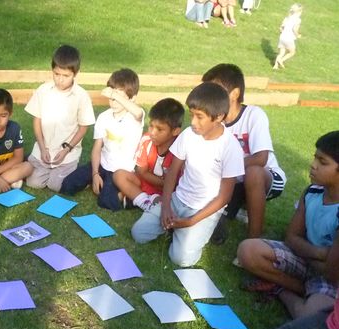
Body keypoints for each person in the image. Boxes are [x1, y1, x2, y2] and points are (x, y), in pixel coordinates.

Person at [131, 82, 244, 267]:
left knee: (181, 260)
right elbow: (172, 172)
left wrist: (191, 222)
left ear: (219, 117)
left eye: (199, 117)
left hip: (203, 211)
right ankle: (176, 228)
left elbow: (224, 197)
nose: (192, 122)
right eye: (192, 115)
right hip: (178, 200)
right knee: (139, 233)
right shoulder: (189, 135)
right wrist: (166, 206)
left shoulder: (230, 147)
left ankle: (206, 227)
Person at [237, 131, 339, 319]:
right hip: (309, 258)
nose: (313, 165)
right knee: (247, 250)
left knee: (309, 316)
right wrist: (318, 253)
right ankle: (290, 288)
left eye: (323, 162)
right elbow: (291, 237)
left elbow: (331, 272)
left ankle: (283, 290)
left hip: (330, 278)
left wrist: (308, 252)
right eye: (315, 158)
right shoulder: (312, 192)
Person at [203, 64, 286, 245]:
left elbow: (261, 159)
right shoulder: (212, 121)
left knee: (253, 172)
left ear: (234, 93)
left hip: (265, 175)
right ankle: (227, 214)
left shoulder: (254, 115)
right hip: (230, 179)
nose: (210, 97)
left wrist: (223, 168)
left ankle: (253, 242)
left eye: (215, 91)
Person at [60, 68, 144, 211]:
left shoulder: (135, 118)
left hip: (120, 171)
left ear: (132, 98)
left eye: (118, 98)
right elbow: (97, 147)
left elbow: (137, 112)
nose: (113, 102)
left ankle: (128, 193)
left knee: (105, 201)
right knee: (67, 185)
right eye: (111, 98)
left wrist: (115, 95)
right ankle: (98, 182)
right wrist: (95, 173)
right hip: (102, 164)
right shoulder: (104, 117)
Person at [25, 45, 95, 192]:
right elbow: (37, 120)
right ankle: (35, 163)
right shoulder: (43, 90)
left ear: (76, 74)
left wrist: (67, 150)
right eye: (56, 74)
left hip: (67, 152)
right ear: (52, 70)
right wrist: (42, 147)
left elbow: (83, 128)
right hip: (43, 149)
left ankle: (82, 174)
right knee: (33, 183)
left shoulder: (81, 96)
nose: (60, 80)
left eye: (66, 76)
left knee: (56, 185)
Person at [114, 98, 184, 211]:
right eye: (151, 126)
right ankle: (146, 203)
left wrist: (167, 185)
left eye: (159, 129)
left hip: (170, 190)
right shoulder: (147, 140)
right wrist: (163, 183)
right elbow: (142, 171)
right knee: (119, 175)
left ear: (175, 131)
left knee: (175, 197)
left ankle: (138, 197)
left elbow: (177, 183)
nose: (152, 132)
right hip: (145, 182)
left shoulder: (181, 148)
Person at [274, 4, 303, 70]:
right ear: (299, 11)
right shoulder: (298, 20)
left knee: (281, 53)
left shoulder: (287, 18)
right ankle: (281, 60)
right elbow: (294, 29)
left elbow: (281, 28)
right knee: (292, 52)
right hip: (289, 38)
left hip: (282, 36)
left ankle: (275, 66)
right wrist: (298, 35)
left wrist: (282, 32)